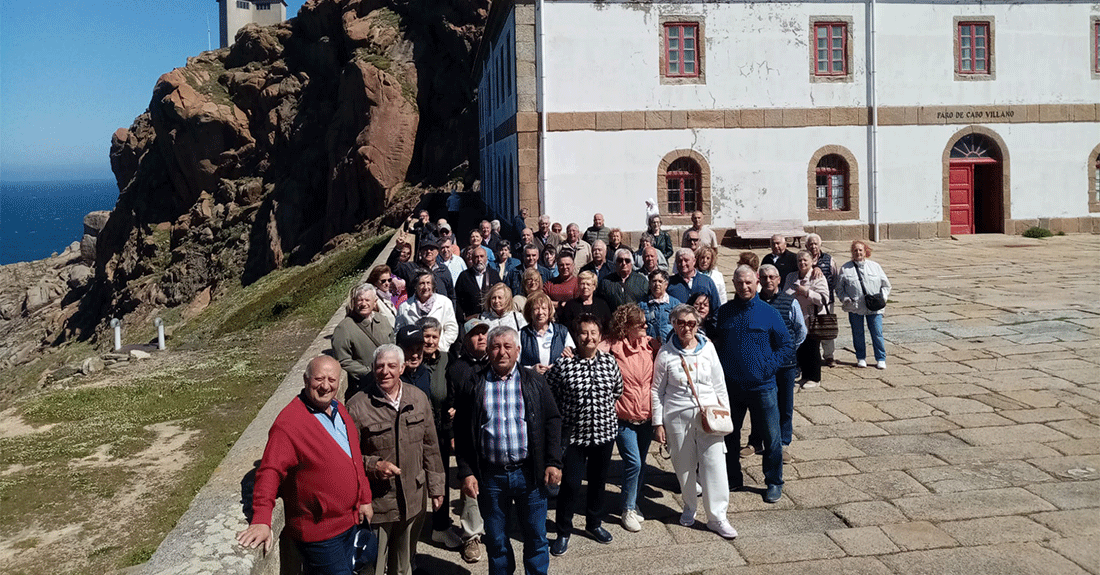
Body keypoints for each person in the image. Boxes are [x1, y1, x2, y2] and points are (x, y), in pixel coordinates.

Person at [237, 356, 374, 574]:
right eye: (319, 379)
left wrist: (364, 497)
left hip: (350, 522)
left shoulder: (339, 410)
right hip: (320, 534)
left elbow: (354, 457)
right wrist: (262, 519)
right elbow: (270, 471)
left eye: (332, 379)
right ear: (305, 379)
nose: (326, 386)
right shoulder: (289, 423)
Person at [452, 326, 563, 575]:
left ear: (518, 350)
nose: (502, 352)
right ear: (488, 351)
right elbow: (461, 430)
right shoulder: (473, 383)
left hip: (530, 473)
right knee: (497, 539)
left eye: (507, 347)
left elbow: (553, 420)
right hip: (491, 476)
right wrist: (466, 471)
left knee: (535, 537)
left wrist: (553, 462)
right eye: (495, 347)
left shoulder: (534, 381)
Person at [348, 346, 444, 575]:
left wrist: (437, 486)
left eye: (392, 366)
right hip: (379, 503)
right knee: (373, 567)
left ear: (402, 368)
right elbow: (347, 457)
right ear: (372, 369)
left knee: (404, 566)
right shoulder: (356, 406)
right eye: (380, 366)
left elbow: (431, 447)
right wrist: (374, 465)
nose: (385, 371)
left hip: (413, 498)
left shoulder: (418, 398)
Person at [652, 305, 738, 540]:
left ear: (697, 325)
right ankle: (689, 506)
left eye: (691, 323)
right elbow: (657, 391)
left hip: (710, 415)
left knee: (715, 464)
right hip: (677, 417)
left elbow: (719, 384)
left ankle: (717, 517)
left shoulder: (708, 347)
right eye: (681, 323)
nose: (686, 328)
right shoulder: (666, 353)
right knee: (684, 466)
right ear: (673, 324)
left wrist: (725, 414)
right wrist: (657, 423)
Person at [714, 266, 794, 504]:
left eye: (748, 282)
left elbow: (786, 346)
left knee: (771, 438)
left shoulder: (768, 312)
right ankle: (732, 477)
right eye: (739, 283)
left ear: (756, 281)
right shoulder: (725, 312)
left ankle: (773, 482)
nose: (744, 287)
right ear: (733, 283)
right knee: (729, 437)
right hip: (732, 388)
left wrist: (767, 367)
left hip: (763, 387)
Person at [547, 315, 623, 555]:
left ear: (600, 336)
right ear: (576, 336)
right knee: (570, 485)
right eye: (583, 333)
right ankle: (563, 531)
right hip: (574, 438)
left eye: (593, 333)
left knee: (598, 483)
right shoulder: (564, 364)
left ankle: (594, 524)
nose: (589, 338)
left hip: (604, 434)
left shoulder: (610, 362)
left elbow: (617, 390)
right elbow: (550, 394)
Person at [603, 304, 658, 534]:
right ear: (626, 327)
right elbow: (588, 353)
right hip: (622, 417)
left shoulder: (651, 345)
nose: (646, 327)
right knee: (633, 462)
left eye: (645, 323)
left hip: (645, 417)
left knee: (640, 464)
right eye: (640, 325)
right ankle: (627, 509)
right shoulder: (612, 347)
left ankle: (633, 501)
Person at [742, 264, 805, 465]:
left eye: (772, 277)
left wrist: (785, 350)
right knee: (758, 404)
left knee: (784, 404)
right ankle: (756, 441)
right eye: (764, 277)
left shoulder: (790, 302)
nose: (768, 280)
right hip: (760, 364)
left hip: (785, 364)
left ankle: (783, 443)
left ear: (779, 279)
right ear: (759, 280)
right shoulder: (754, 302)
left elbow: (800, 330)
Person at [445, 319, 493, 564]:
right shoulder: (457, 369)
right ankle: (472, 535)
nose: (481, 338)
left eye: (484, 333)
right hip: (469, 438)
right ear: (465, 341)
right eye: (475, 334)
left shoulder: (498, 362)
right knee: (470, 487)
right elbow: (449, 406)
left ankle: (495, 530)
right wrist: (452, 433)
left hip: (495, 436)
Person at [416, 317, 465, 551]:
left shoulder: (447, 359)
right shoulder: (412, 360)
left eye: (434, 336)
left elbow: (454, 385)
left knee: (441, 479)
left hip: (441, 430)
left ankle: (440, 526)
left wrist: (454, 406)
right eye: (426, 336)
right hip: (416, 433)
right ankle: (412, 529)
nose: (430, 341)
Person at [333, 283, 396, 400]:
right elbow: (342, 360)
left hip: (388, 382)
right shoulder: (344, 328)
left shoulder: (382, 320)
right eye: (360, 300)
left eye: (367, 300)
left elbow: (392, 344)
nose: (363, 304)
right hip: (364, 387)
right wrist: (367, 372)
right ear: (354, 302)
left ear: (375, 301)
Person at [837, 240, 892, 369]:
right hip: (855, 307)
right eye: (855, 250)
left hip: (874, 307)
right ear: (852, 252)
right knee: (858, 333)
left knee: (877, 333)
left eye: (860, 250)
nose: (858, 253)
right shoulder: (845, 268)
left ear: (865, 251)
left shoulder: (875, 266)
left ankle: (880, 358)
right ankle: (861, 357)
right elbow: (839, 289)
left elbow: (886, 285)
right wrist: (844, 298)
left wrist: (882, 298)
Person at [784, 251, 829, 389]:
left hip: (812, 319)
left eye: (805, 260)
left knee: (813, 348)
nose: (802, 263)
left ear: (812, 262)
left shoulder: (818, 276)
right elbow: (785, 293)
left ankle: (815, 378)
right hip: (796, 319)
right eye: (799, 261)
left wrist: (807, 292)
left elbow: (824, 299)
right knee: (801, 348)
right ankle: (804, 376)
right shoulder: (791, 276)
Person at [396, 271, 459, 350]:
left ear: (433, 285)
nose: (425, 287)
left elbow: (452, 328)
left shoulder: (445, 303)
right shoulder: (404, 307)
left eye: (428, 283)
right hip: (414, 353)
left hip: (438, 350)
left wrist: (441, 345)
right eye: (422, 283)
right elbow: (399, 332)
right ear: (415, 286)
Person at [519, 291, 575, 374]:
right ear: (530, 312)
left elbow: (572, 357)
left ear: (549, 311)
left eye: (544, 308)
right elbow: (515, 364)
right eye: (536, 309)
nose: (540, 312)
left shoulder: (562, 331)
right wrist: (531, 370)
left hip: (558, 381)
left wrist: (568, 352)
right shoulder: (522, 334)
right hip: (533, 382)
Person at [805, 233, 840, 367]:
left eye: (816, 243)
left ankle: (829, 356)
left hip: (826, 302)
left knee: (826, 328)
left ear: (820, 244)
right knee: (809, 329)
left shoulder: (828, 259)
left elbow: (835, 277)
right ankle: (812, 356)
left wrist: (829, 292)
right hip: (807, 301)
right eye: (811, 244)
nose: (813, 246)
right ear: (806, 246)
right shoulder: (803, 258)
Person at [455, 246, 502, 320]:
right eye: (476, 257)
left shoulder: (494, 274)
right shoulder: (464, 276)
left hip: (491, 318)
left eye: (482, 256)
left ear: (486, 258)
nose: (479, 259)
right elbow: (457, 298)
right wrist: (462, 317)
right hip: (471, 319)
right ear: (472, 259)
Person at [667, 248, 721, 312]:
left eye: (686, 260)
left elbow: (716, 308)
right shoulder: (670, 282)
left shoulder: (706, 281)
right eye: (679, 261)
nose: (683, 264)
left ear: (694, 261)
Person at [639, 269, 681, 342]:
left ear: (666, 285)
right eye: (654, 281)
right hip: (649, 345)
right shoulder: (642, 304)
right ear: (649, 284)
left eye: (660, 281)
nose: (657, 284)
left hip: (670, 345)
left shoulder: (676, 304)